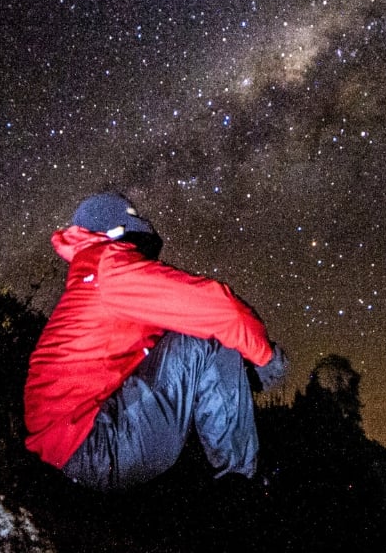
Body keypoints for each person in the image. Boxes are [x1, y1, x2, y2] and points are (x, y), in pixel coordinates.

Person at [24, 191, 288, 492]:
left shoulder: (93, 272)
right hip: (93, 445)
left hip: (72, 439)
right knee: (210, 338)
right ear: (116, 230)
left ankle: (219, 476)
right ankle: (241, 484)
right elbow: (220, 309)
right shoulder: (112, 268)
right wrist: (266, 358)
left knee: (190, 336)